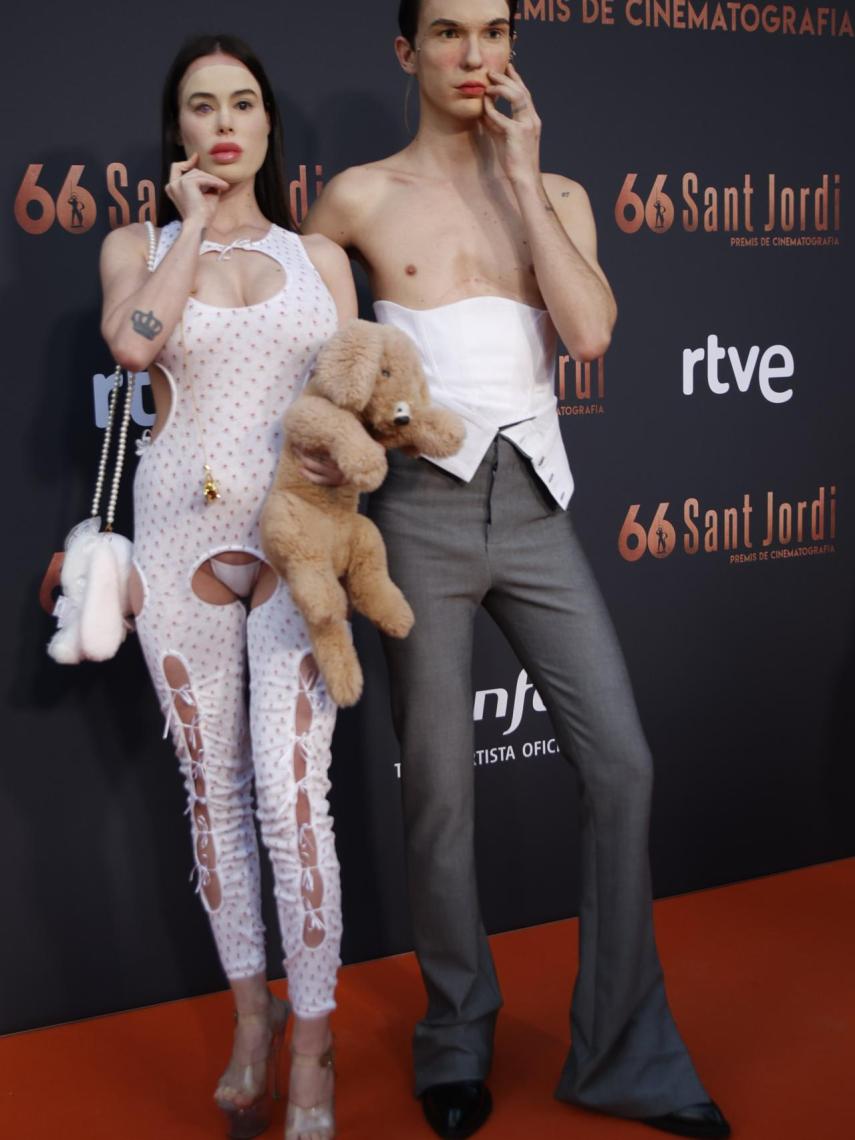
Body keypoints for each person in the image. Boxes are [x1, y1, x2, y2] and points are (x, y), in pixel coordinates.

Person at [303, 2, 731, 1138]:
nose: (476, 55)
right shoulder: (354, 198)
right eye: (449, 32)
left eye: (495, 30)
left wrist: (527, 169)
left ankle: (624, 1048)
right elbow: (336, 385)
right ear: (408, 51)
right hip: (417, 518)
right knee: (440, 793)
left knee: (624, 765)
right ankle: (455, 1039)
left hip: (538, 510)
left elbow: (587, 336)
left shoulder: (563, 195)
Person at [99, 33, 356, 1140]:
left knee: (293, 804)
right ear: (178, 129)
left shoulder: (321, 260)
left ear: (264, 121)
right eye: (201, 106)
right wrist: (190, 227)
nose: (222, 123)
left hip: (296, 549)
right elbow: (133, 346)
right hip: (175, 544)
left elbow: (352, 403)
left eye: (241, 102)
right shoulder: (138, 245)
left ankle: (313, 1046)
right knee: (214, 801)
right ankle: (251, 1019)